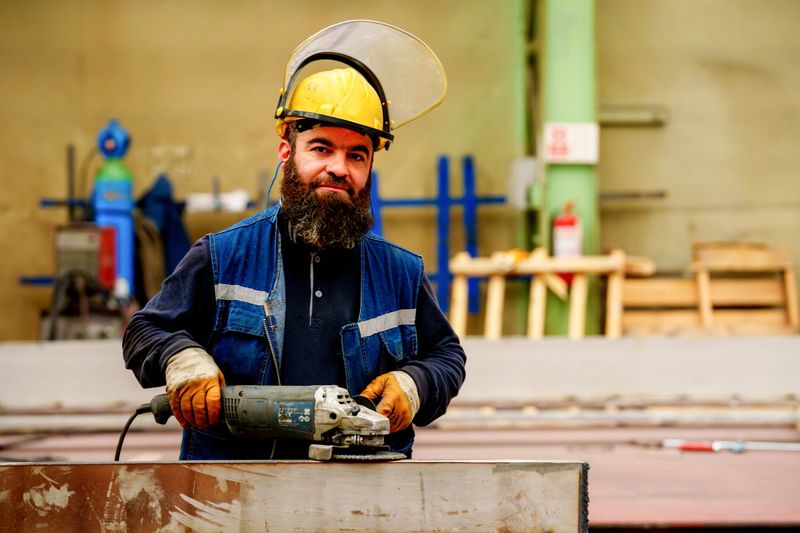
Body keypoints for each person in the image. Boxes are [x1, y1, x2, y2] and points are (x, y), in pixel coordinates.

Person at [122, 20, 466, 460]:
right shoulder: (223, 256)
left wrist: (414, 383)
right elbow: (145, 329)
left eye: (356, 154)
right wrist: (181, 357)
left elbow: (447, 354)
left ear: (370, 166)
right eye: (321, 148)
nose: (339, 168)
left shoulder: (400, 273)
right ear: (287, 151)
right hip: (233, 500)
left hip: (363, 505)